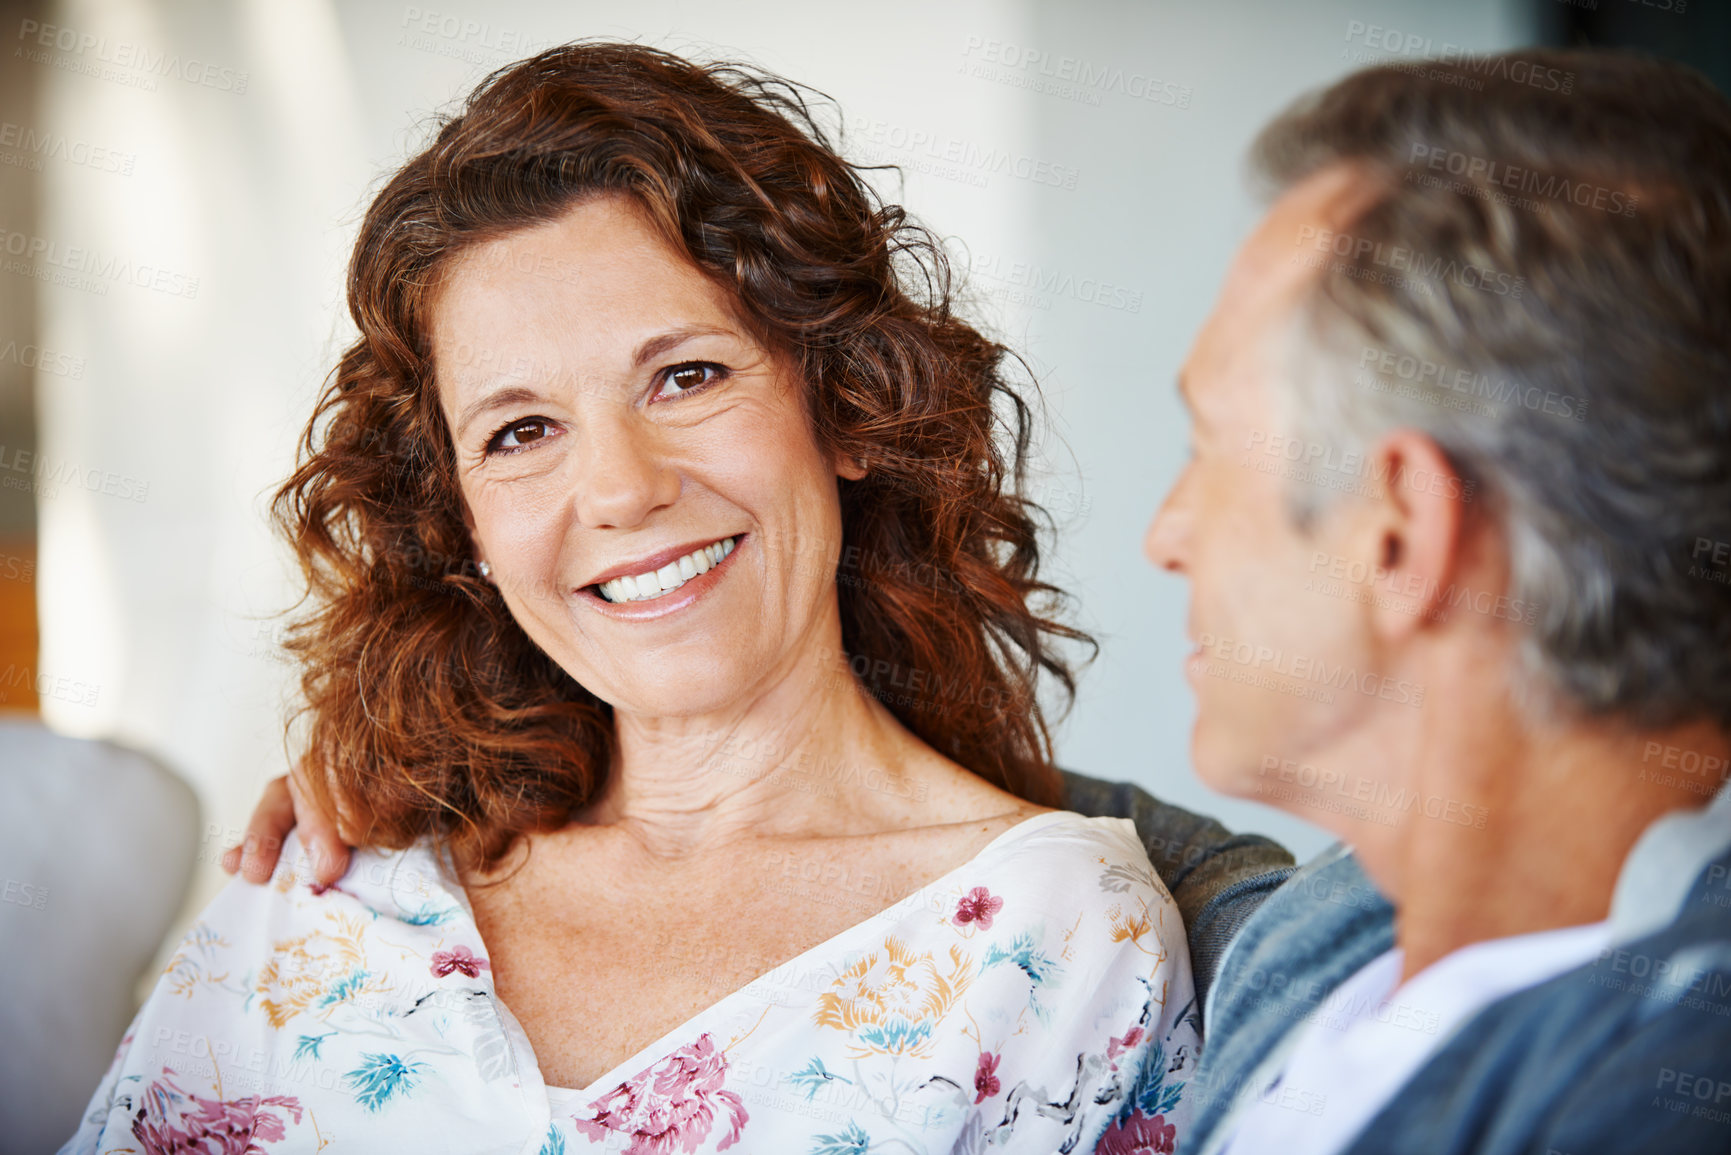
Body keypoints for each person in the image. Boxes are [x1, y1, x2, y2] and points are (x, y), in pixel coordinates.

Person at [61, 42, 1205, 1155]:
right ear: (465, 525)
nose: (617, 490)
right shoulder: (326, 892)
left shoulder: (1055, 941)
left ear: (844, 404)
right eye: (520, 432)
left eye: (688, 375)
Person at [1142, 48, 1731, 1155]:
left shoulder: (1668, 1082)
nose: (1165, 535)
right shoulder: (1327, 944)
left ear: (1401, 532)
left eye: (1208, 451)